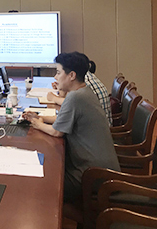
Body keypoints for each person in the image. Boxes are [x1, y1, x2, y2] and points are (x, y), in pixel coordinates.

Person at [23, 52, 120, 203]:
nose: (55, 77)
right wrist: (39, 117)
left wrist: (37, 124)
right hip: (102, 171)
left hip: (92, 176)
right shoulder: (84, 92)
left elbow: (57, 132)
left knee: (44, 182)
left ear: (72, 75)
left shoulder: (75, 97)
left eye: (58, 72)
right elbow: (63, 119)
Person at [46, 60, 111, 126]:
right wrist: (62, 89)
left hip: (98, 127)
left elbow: (71, 102)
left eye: (59, 73)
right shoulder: (85, 78)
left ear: (72, 74)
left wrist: (54, 98)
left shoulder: (85, 83)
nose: (55, 77)